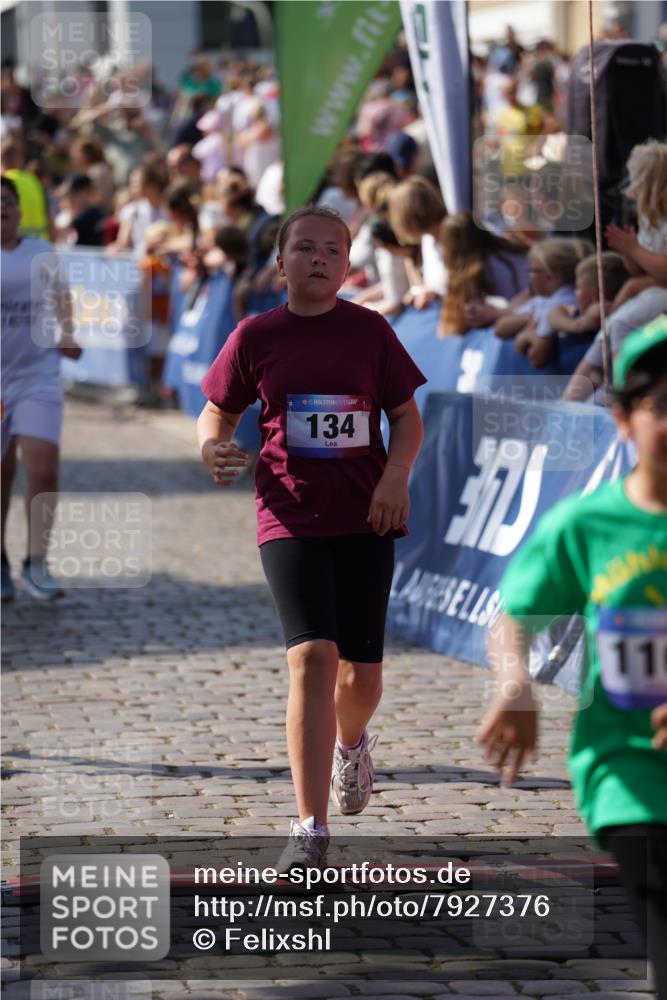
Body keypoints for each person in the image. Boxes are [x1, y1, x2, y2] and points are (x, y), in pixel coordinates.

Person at [196, 206, 426, 871]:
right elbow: (216, 412)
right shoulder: (254, 335)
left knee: (361, 673)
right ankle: (309, 826)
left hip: (366, 515)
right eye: (304, 248)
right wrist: (211, 448)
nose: (318, 258)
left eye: (332, 249)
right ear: (279, 262)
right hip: (288, 514)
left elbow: (404, 419)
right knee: (311, 657)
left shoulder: (371, 332)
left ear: (348, 265)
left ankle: (350, 743)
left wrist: (395, 476)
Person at [476, 316, 667, 999]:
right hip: (632, 775)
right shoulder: (585, 527)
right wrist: (514, 686)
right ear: (621, 419)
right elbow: (514, 618)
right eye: (663, 404)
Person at [1, 175, 81, 602]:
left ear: (18, 209)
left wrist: (68, 333)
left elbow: (61, 297)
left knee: (43, 464)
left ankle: (37, 563)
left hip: (37, 375)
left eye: (8, 202)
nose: (2, 209)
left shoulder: (40, 251)